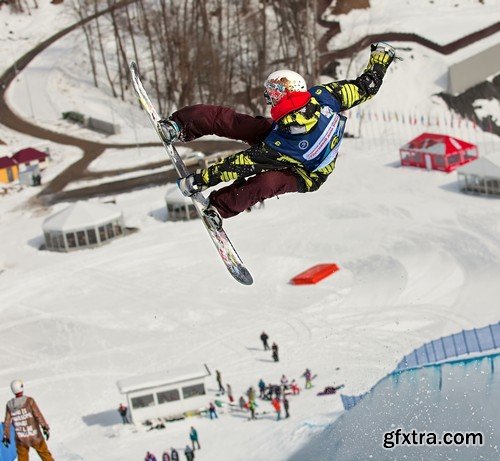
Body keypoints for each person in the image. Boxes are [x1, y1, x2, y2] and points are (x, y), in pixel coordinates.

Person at [159, 43, 397, 229]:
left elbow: (242, 164)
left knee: (267, 183)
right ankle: (181, 124)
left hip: (307, 173)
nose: (269, 98)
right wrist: (380, 59)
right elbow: (365, 88)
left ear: (289, 93)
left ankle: (219, 208)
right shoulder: (323, 95)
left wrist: (201, 180)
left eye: (274, 93)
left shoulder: (284, 143)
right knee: (235, 123)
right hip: (283, 132)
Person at [2, 379, 54, 461]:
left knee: (22, 458)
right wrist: (45, 427)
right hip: (35, 436)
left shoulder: (9, 405)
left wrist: (6, 436)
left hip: (21, 439)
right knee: (45, 454)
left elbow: (7, 422)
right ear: (21, 388)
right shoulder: (29, 401)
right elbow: (38, 415)